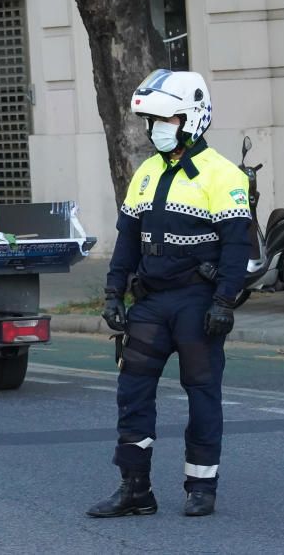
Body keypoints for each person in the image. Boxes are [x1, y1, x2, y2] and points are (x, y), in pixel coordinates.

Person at [87, 70, 251, 518]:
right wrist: (112, 294)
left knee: (202, 393)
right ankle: (135, 489)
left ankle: (202, 488)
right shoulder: (146, 171)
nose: (156, 128)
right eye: (154, 120)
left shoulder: (223, 175)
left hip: (196, 303)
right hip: (151, 303)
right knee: (132, 392)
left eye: (167, 119)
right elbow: (126, 240)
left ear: (192, 119)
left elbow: (238, 245)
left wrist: (223, 301)